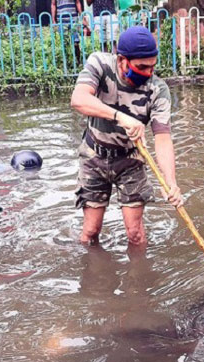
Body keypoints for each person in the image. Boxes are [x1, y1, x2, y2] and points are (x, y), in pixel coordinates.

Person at [71, 26, 182, 247]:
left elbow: (162, 137)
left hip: (131, 160)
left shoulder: (158, 90)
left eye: (152, 66)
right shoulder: (100, 64)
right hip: (94, 156)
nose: (148, 73)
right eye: (141, 67)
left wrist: (170, 181)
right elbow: (79, 98)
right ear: (122, 60)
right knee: (91, 231)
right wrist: (120, 117)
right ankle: (92, 276)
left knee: (135, 234)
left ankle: (140, 279)